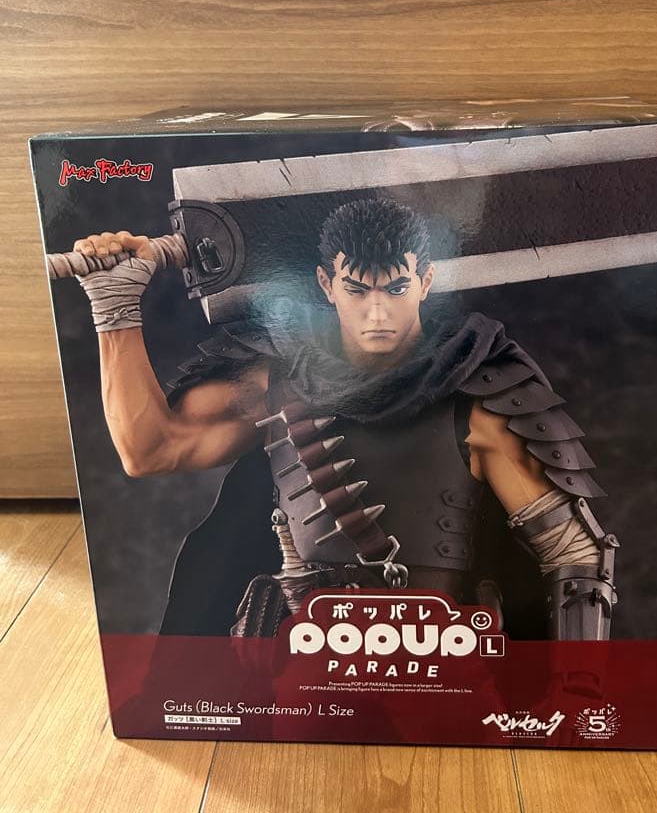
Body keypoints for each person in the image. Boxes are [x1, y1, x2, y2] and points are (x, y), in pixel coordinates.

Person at [73, 197, 618, 640]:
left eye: (396, 288)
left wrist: (578, 694)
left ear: (426, 282)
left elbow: (574, 556)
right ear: (326, 284)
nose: (377, 312)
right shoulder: (273, 384)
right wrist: (115, 307)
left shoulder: (480, 391)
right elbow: (149, 451)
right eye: (357, 290)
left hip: (443, 660)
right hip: (303, 664)